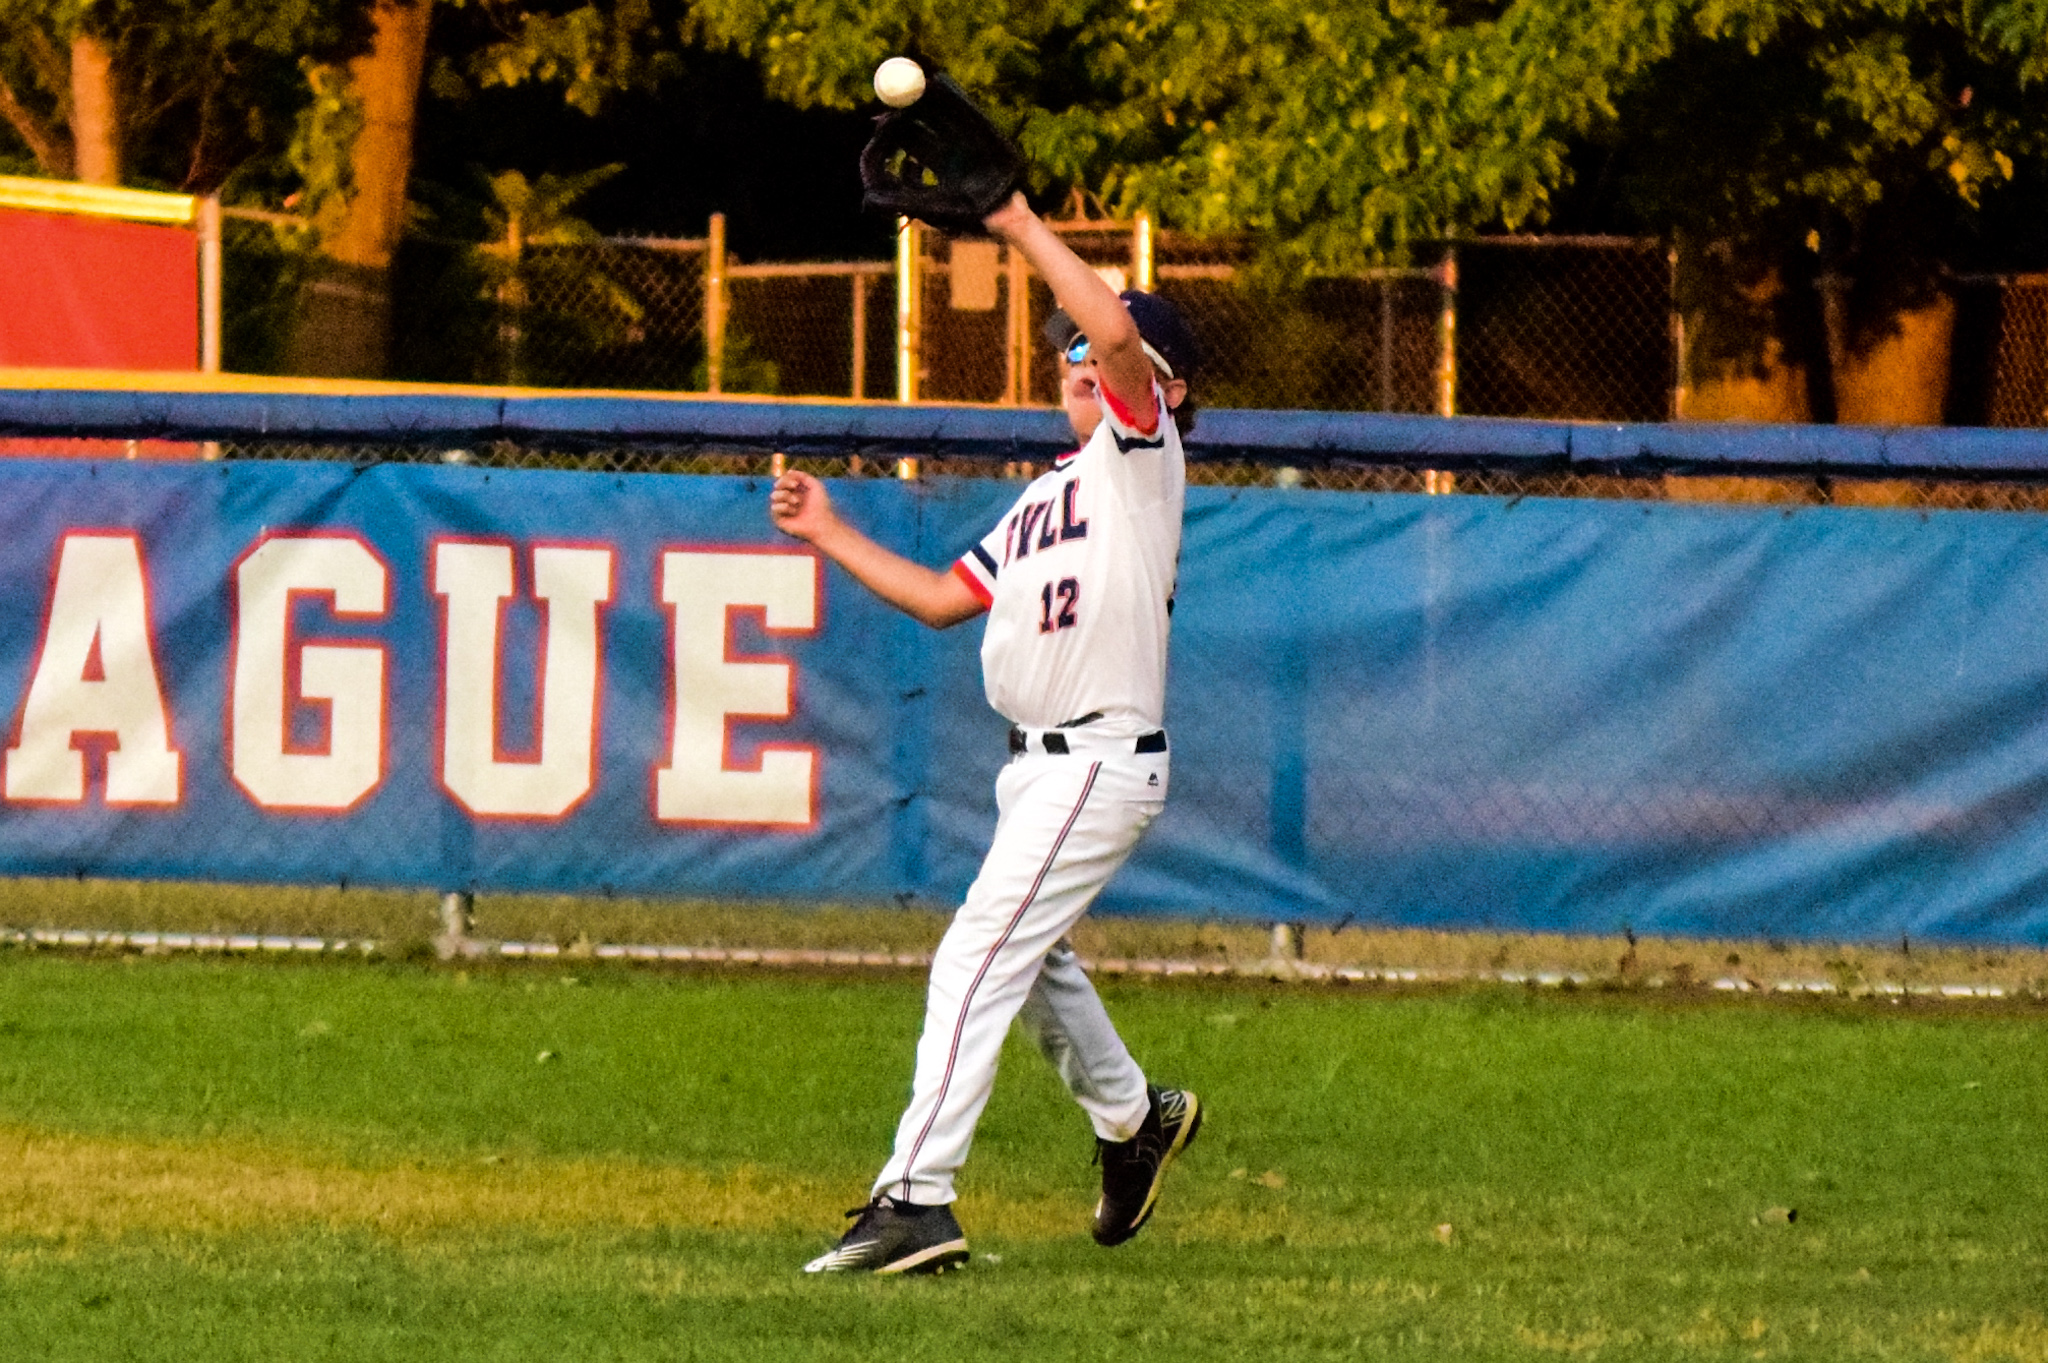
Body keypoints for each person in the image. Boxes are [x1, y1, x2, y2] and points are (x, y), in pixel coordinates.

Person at [769, 192, 1205, 1276]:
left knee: (974, 953)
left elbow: (1110, 334)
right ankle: (1131, 1115)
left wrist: (1016, 227)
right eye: (1063, 358)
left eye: (1100, 356)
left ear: (1161, 387)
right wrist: (827, 531)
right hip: (1039, 769)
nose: (1077, 362)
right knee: (1030, 953)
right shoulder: (1044, 497)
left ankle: (914, 1197)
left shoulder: (1140, 464)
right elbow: (934, 598)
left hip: (1098, 759)